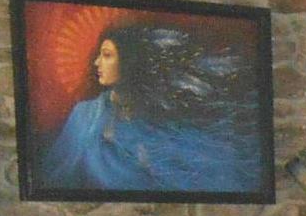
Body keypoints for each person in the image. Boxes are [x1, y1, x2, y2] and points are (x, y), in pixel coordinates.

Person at [39, 23, 261, 194]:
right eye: (99, 55)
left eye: (107, 55)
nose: (97, 63)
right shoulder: (84, 115)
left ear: (129, 60)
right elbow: (55, 177)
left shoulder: (159, 117)